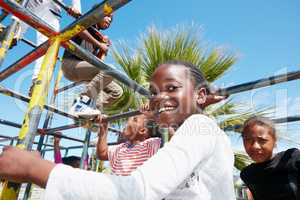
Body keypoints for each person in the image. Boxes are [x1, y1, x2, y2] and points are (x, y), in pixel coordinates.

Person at [0, 60, 234, 200]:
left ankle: (84, 100)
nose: (159, 97)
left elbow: (137, 191)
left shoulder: (199, 126)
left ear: (201, 94)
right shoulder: (196, 132)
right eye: (153, 93)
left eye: (171, 88)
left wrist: (34, 168)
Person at [11, 0, 81, 95]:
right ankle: (12, 33)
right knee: (48, 42)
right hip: (38, 4)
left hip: (49, 6)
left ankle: (38, 80)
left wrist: (76, 7)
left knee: (49, 42)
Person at [62, 13, 123, 118]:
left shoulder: (99, 37)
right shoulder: (88, 23)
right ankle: (81, 102)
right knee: (111, 69)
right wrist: (100, 45)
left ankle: (91, 109)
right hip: (70, 65)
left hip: (84, 69)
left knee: (117, 91)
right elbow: (79, 29)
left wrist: (103, 49)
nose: (109, 21)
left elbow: (98, 62)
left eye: (111, 20)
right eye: (107, 16)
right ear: (98, 14)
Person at [240, 116, 300, 200]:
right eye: (248, 139)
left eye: (262, 140)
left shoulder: (291, 158)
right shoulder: (247, 174)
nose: (255, 146)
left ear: (274, 141)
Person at [96, 111, 161, 176]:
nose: (128, 121)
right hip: (118, 185)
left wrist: (154, 116)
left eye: (134, 120)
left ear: (142, 130)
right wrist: (103, 129)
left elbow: (168, 135)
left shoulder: (149, 145)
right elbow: (102, 154)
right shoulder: (121, 147)